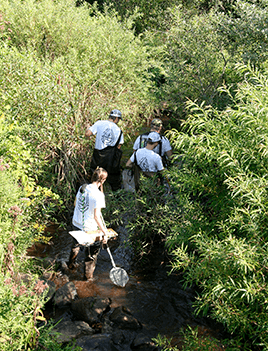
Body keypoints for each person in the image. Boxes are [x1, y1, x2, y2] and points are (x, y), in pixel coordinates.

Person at [68, 167, 109, 281]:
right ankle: (87, 278)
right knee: (91, 254)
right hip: (89, 228)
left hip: (76, 223)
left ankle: (70, 265)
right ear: (103, 180)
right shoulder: (99, 195)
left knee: (75, 245)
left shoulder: (83, 187)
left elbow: (76, 203)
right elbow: (97, 216)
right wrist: (104, 232)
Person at [85, 109, 124, 191]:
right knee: (112, 176)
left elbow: (88, 134)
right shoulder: (119, 131)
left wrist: (88, 127)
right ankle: (113, 193)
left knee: (94, 174)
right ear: (116, 119)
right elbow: (119, 146)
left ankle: (92, 190)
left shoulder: (99, 123)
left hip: (97, 155)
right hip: (110, 158)